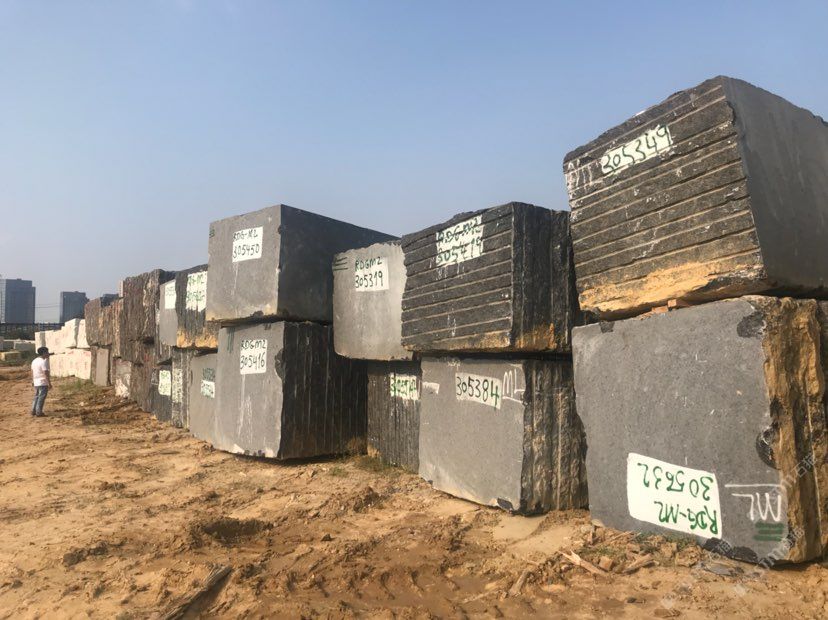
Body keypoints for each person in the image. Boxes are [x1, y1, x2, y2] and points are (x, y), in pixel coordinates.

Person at [31, 347, 52, 417]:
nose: (48, 354)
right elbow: (45, 372)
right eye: (47, 352)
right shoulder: (43, 361)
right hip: (43, 382)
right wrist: (49, 383)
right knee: (41, 398)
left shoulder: (34, 361)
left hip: (36, 382)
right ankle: (39, 412)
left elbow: (32, 371)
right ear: (44, 353)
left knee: (36, 397)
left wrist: (33, 380)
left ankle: (33, 410)